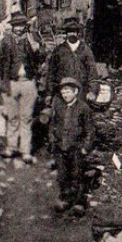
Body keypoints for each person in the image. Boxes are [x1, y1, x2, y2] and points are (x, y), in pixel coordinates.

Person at [0, 10, 41, 162]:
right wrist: (2, 84)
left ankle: (25, 151)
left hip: (28, 82)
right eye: (16, 26)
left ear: (25, 26)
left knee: (26, 118)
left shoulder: (31, 38)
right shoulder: (6, 41)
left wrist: (36, 48)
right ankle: (11, 148)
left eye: (21, 25)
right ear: (12, 27)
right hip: (11, 83)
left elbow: (41, 58)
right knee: (12, 117)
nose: (19, 28)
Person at [49, 76, 95, 216]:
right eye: (63, 93)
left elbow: (90, 130)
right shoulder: (59, 107)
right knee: (62, 175)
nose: (65, 95)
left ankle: (79, 202)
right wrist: (52, 140)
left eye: (68, 92)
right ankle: (65, 198)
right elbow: (53, 124)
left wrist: (85, 147)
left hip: (76, 148)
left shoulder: (83, 108)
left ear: (75, 92)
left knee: (77, 174)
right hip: (60, 147)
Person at [46, 16, 100, 104]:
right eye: (69, 32)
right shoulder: (59, 50)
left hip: (80, 89)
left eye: (74, 32)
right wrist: (49, 93)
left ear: (78, 33)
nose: (72, 34)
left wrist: (92, 91)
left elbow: (92, 71)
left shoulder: (85, 49)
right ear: (66, 34)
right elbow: (51, 72)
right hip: (63, 90)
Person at [91, 0, 122, 69]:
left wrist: (114, 9)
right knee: (103, 42)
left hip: (110, 22)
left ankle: (111, 61)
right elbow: (99, 7)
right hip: (102, 22)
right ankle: (102, 60)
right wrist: (108, 8)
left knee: (111, 42)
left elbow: (115, 5)